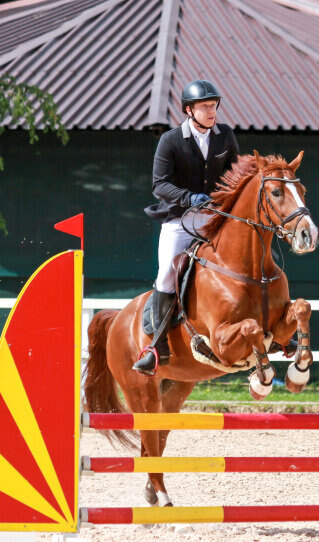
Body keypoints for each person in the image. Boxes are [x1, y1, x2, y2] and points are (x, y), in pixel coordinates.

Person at [133, 79, 239, 375]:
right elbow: (159, 185)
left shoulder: (225, 136)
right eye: (205, 106)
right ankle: (156, 346)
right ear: (189, 110)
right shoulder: (170, 140)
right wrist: (189, 197)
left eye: (214, 105)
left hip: (215, 219)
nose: (211, 111)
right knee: (167, 273)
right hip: (179, 220)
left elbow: (236, 175)